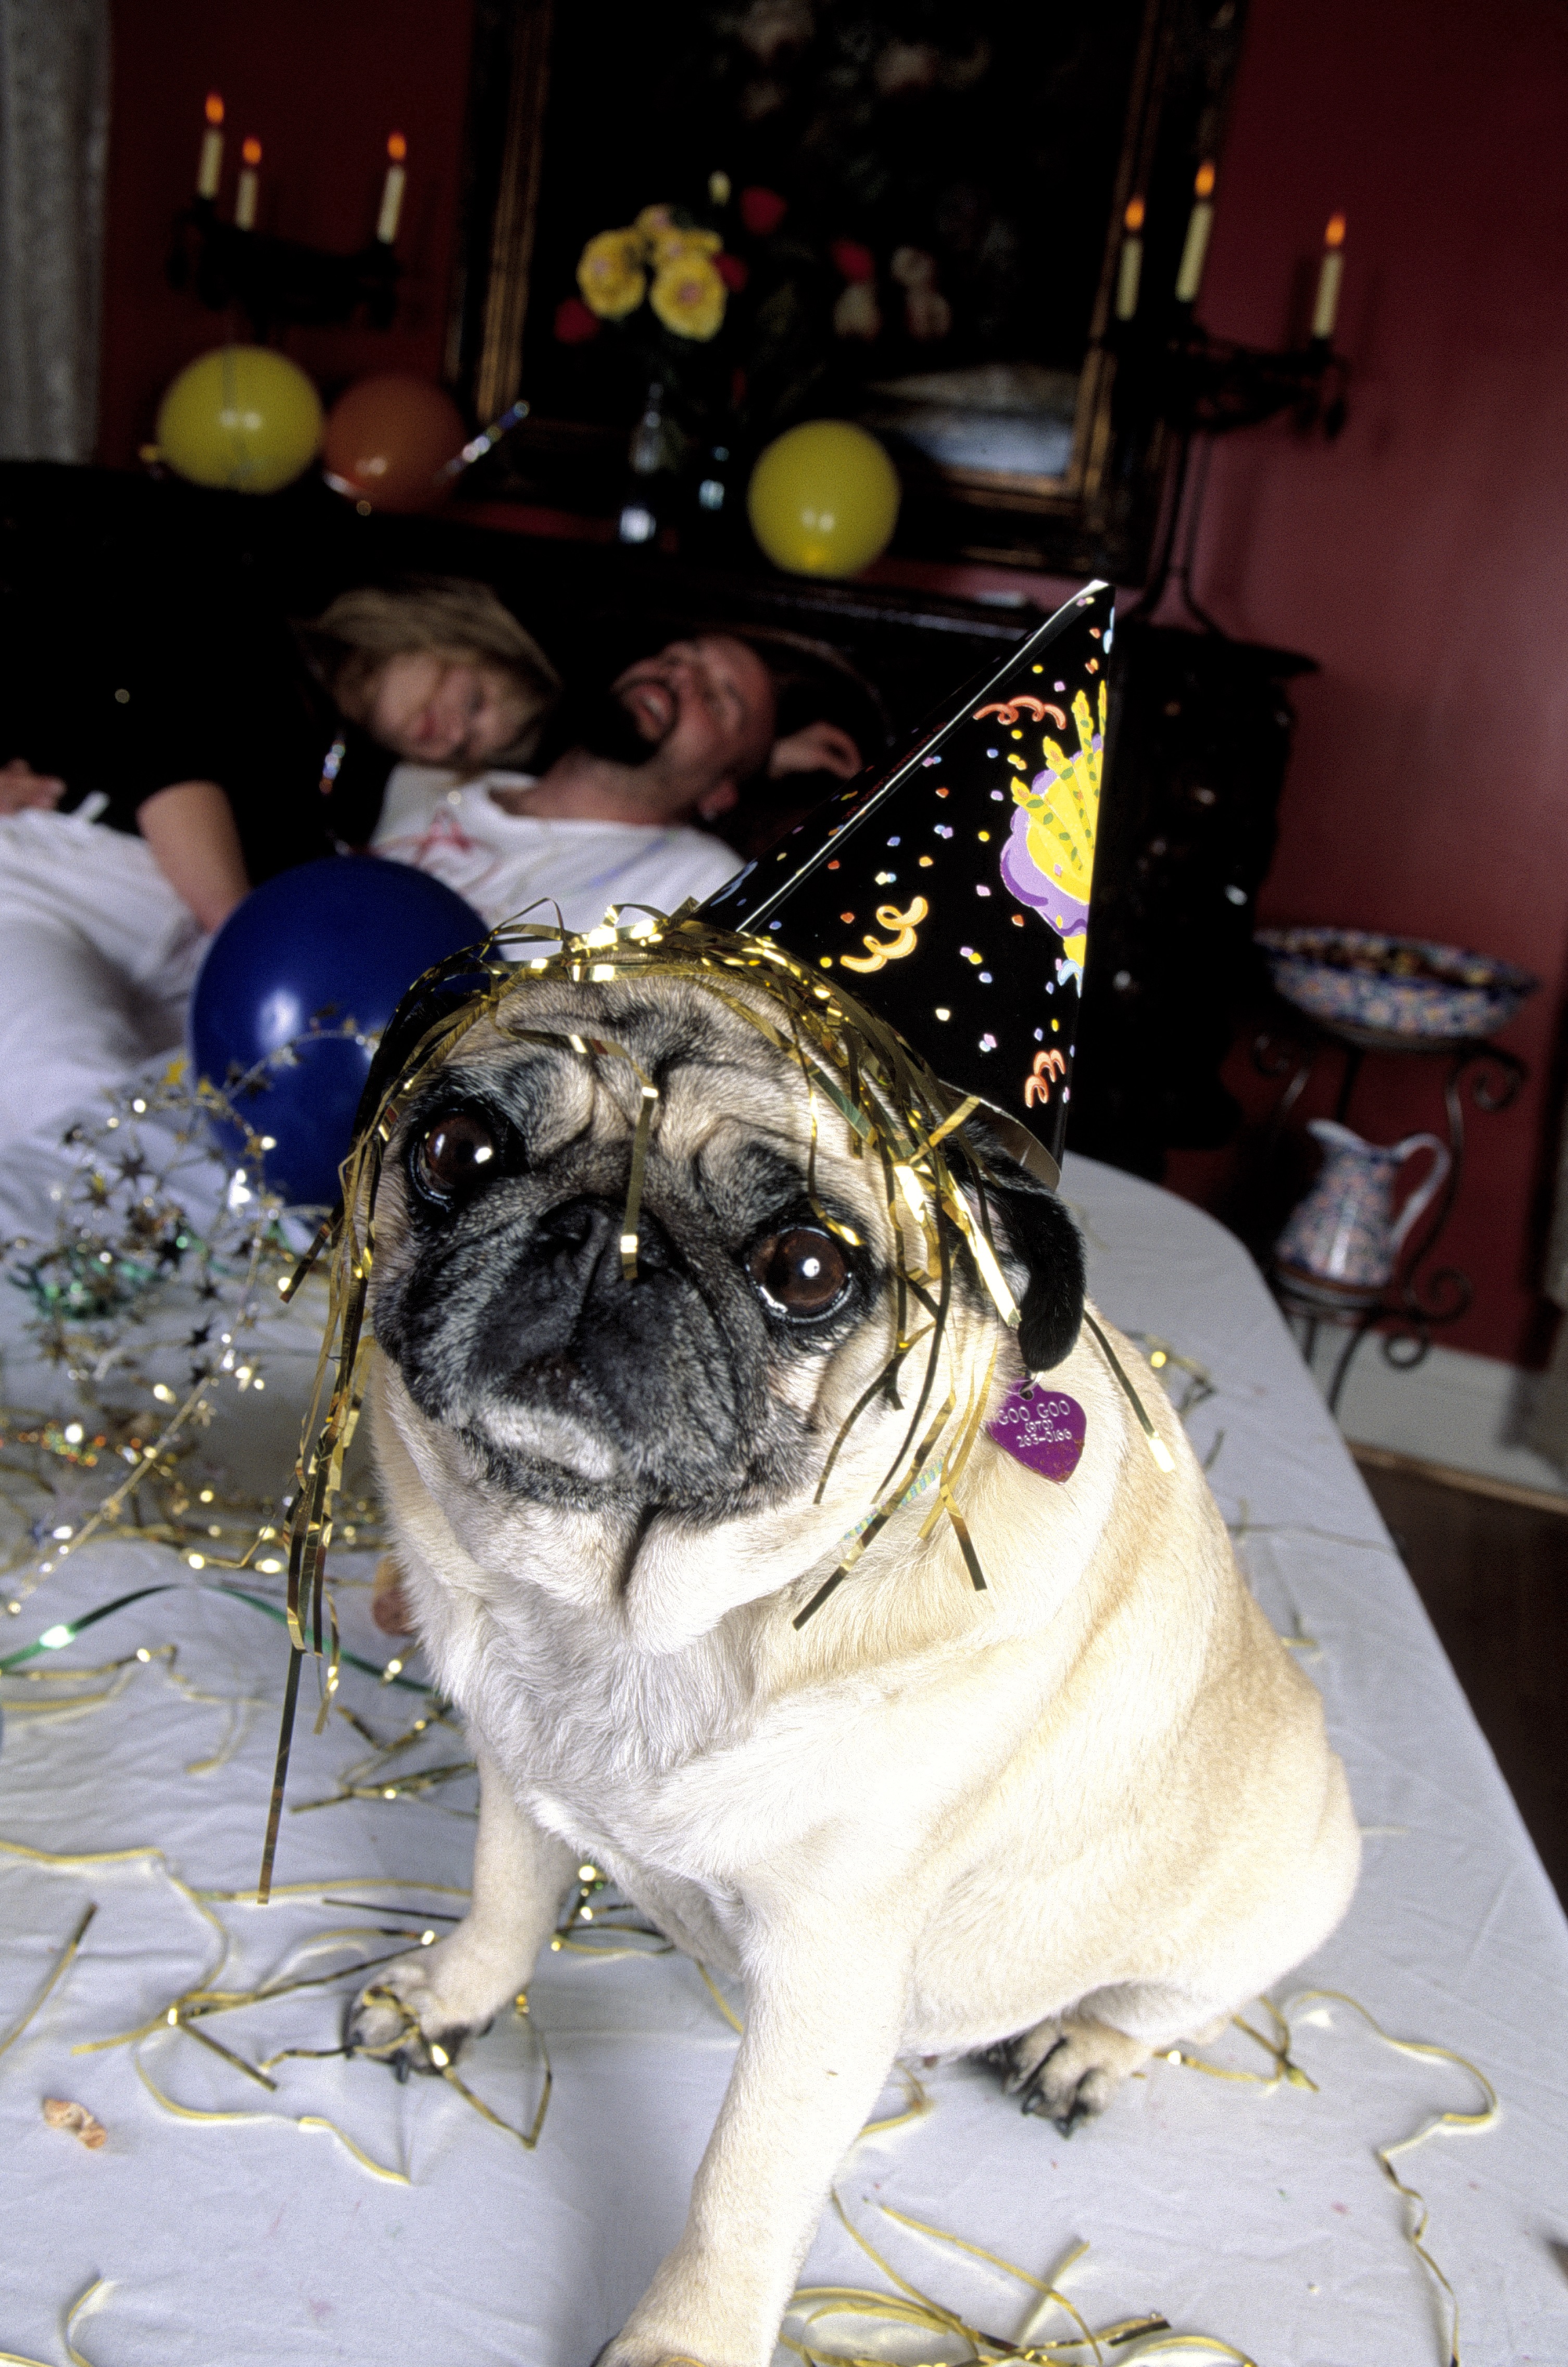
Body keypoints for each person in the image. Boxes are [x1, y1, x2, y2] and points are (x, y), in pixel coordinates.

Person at [0, 586, 870, 1154]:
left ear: (724, 789)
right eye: (675, 660)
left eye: (719, 699)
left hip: (287, 1094)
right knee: (70, 1130)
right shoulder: (429, 782)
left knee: (76, 1142)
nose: (679, 680)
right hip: (135, 946)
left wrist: (772, 774)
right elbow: (162, 708)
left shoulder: (691, 878)